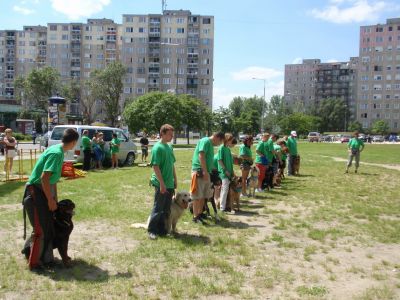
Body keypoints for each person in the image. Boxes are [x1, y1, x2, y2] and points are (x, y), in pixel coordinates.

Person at [22, 128, 79, 270]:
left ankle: (45, 258)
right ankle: (34, 263)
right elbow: (44, 178)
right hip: (35, 192)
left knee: (47, 226)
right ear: (73, 142)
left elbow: (52, 181)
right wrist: (49, 200)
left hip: (43, 191)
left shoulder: (58, 150)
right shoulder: (56, 153)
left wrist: (54, 199)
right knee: (40, 229)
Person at [148, 124, 177, 239]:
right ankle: (152, 230)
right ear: (162, 134)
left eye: (172, 134)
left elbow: (172, 165)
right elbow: (155, 167)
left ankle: (161, 229)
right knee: (158, 208)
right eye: (170, 134)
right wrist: (162, 184)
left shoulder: (169, 147)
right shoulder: (157, 148)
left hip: (169, 183)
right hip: (161, 183)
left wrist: (175, 179)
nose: (172, 136)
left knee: (166, 209)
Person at [190, 132, 224, 224]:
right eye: (219, 142)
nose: (218, 144)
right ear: (217, 137)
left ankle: (200, 214)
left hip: (206, 172)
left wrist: (212, 171)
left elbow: (209, 160)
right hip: (199, 171)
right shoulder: (205, 141)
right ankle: (195, 217)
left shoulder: (210, 145)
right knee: (197, 196)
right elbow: (201, 156)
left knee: (203, 196)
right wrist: (204, 171)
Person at [217, 133, 236, 212]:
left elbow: (230, 162)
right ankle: (222, 207)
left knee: (227, 189)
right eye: (230, 140)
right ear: (226, 140)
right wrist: (225, 170)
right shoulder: (221, 148)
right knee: (224, 189)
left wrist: (232, 172)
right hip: (224, 173)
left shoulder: (228, 149)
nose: (231, 141)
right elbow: (220, 160)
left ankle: (226, 206)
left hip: (229, 172)